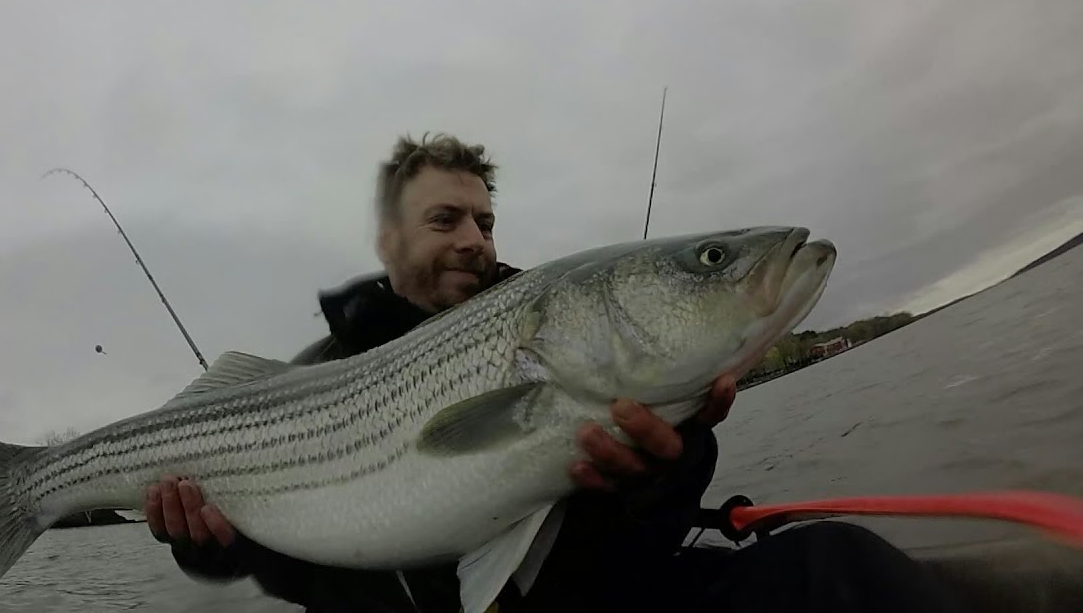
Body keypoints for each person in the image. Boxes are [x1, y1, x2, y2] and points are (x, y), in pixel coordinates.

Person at [144, 133, 965, 612]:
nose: (475, 237)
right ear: (389, 243)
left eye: (486, 219)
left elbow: (628, 560)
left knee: (839, 574)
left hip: (598, 603)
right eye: (444, 218)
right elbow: (310, 567)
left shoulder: (562, 326)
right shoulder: (312, 377)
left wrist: (658, 477)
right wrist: (210, 546)